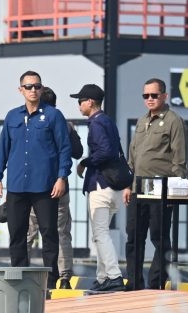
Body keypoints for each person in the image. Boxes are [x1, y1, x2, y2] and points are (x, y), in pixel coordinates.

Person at [0, 70, 72, 290]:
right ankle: (19, 278)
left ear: (42, 88)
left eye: (37, 86)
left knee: (49, 233)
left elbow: (64, 149)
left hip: (45, 185)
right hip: (17, 185)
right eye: (28, 87)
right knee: (17, 233)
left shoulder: (54, 116)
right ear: (21, 90)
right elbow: (3, 148)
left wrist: (61, 177)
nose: (33, 90)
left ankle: (51, 281)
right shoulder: (12, 117)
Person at [122, 78, 187, 290]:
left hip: (160, 186)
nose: (149, 99)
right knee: (134, 236)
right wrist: (128, 185)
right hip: (138, 185)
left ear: (164, 96)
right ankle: (134, 282)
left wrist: (174, 190)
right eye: (146, 95)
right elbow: (133, 157)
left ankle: (156, 282)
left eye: (154, 95)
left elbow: (179, 160)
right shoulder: (142, 121)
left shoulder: (173, 121)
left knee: (159, 237)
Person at [25, 86, 82, 289]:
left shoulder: (30, 123)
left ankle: (21, 274)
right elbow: (78, 151)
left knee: (28, 231)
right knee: (60, 232)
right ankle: (64, 278)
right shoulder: (65, 124)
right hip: (59, 185)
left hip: (33, 186)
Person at [72, 83, 126, 292]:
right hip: (115, 186)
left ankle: (114, 275)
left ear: (90, 102)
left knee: (100, 233)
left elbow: (105, 151)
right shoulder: (108, 121)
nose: (78, 105)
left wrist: (85, 162)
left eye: (80, 101)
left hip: (101, 185)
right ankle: (103, 277)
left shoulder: (96, 123)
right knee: (100, 234)